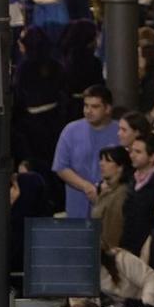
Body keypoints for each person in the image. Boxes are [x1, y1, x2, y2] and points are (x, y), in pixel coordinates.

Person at [53, 84, 117, 219]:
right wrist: (86, 186)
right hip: (77, 208)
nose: (88, 111)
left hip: (111, 208)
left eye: (95, 107)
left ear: (108, 108)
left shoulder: (120, 132)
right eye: (86, 105)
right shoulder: (70, 131)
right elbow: (61, 167)